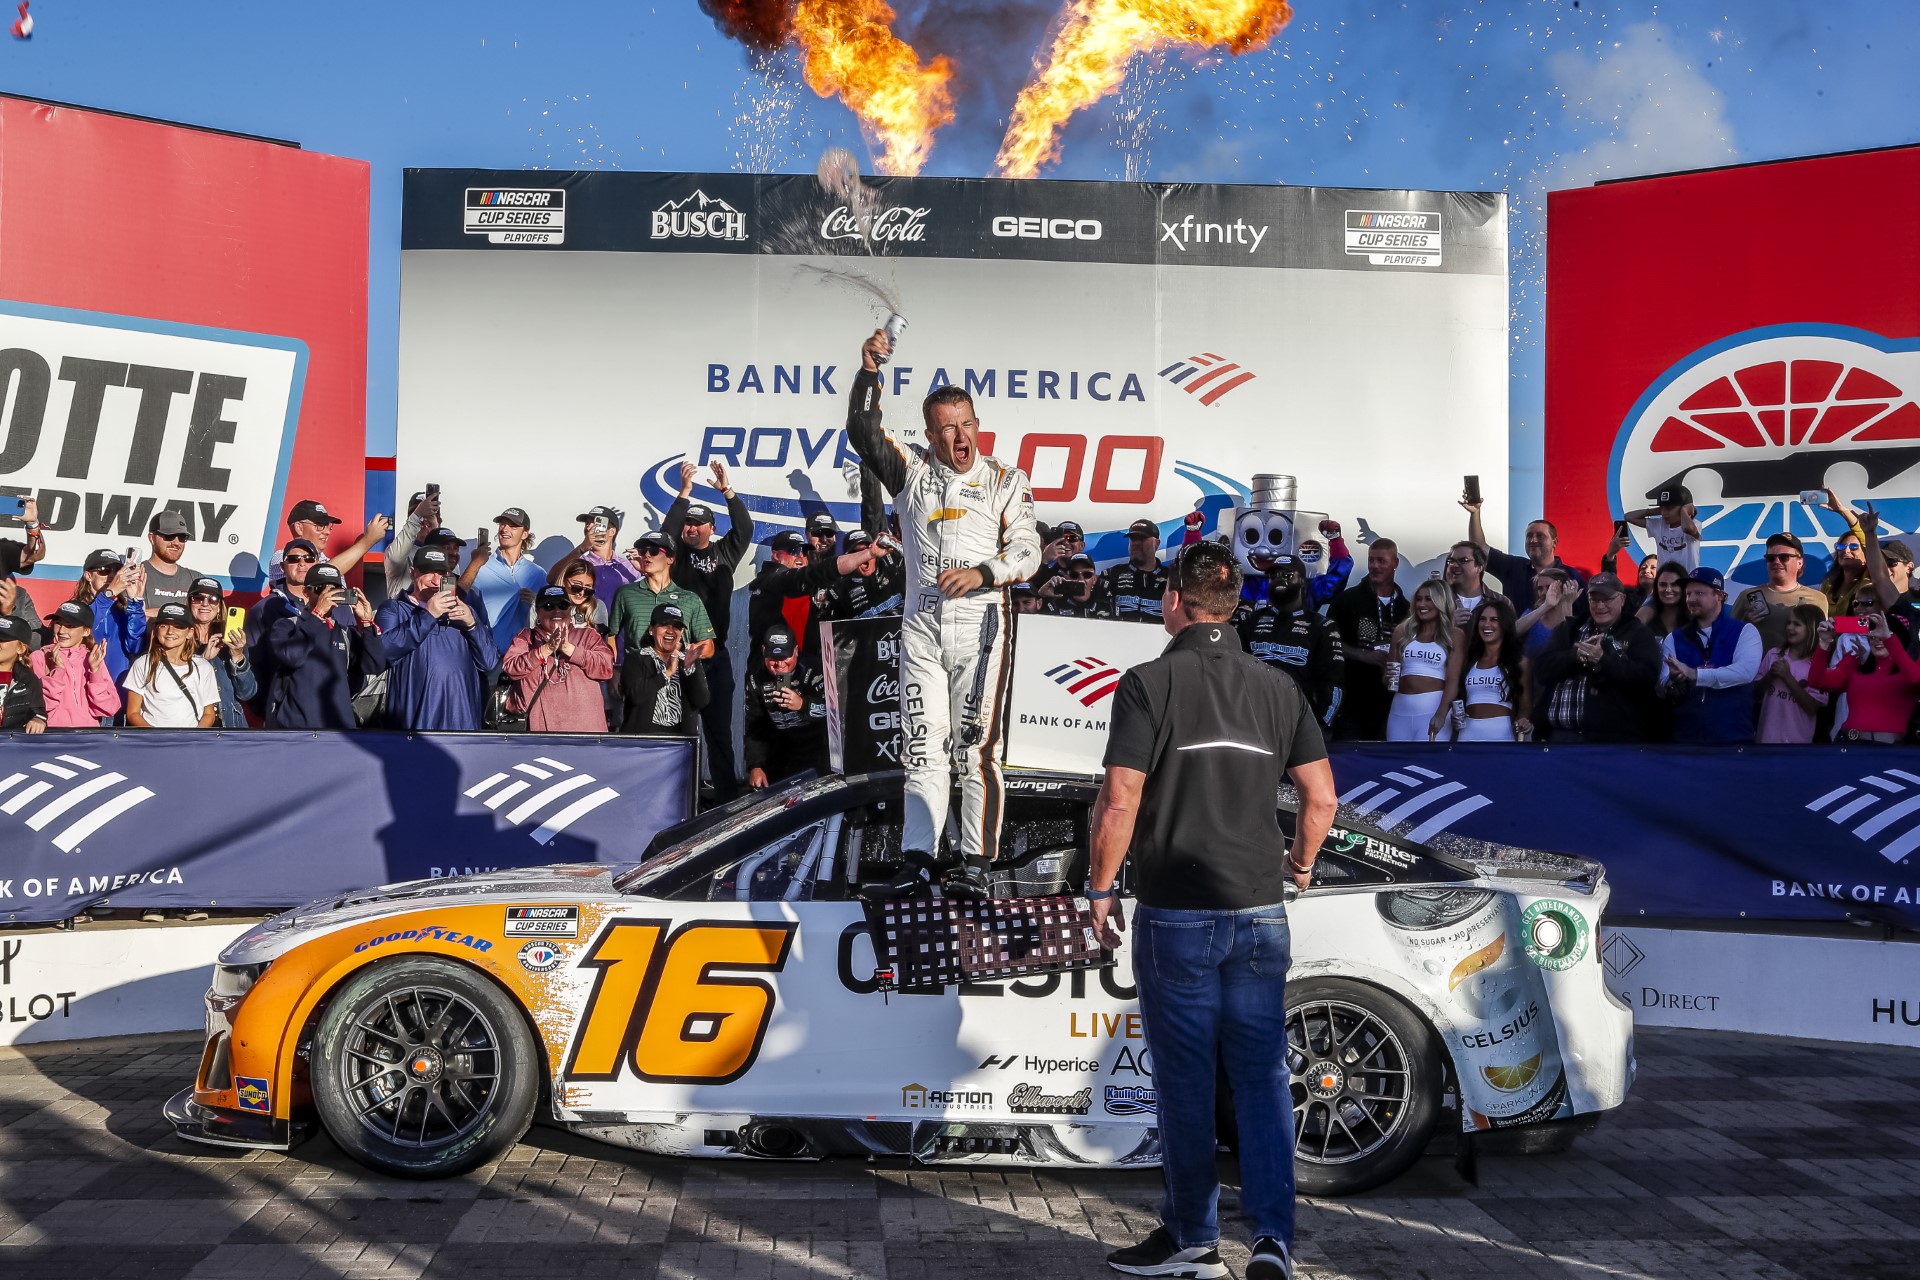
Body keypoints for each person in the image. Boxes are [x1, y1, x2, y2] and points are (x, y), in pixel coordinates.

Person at [1086, 540, 1337, 1280]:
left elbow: (1120, 800)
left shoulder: (1147, 682)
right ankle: (1273, 1240)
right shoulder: (1279, 686)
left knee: (1187, 1081)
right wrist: (1300, 866)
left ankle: (1193, 1238)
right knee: (1261, 1078)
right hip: (1260, 909)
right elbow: (1321, 799)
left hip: (1177, 912)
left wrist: (1100, 889)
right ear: (1231, 605)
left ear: (1174, 600)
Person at [845, 326, 1041, 898]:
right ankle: (918, 860)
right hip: (921, 628)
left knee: (974, 748)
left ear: (978, 425)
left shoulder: (1005, 480)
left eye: (967, 424)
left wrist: (984, 574)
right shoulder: (912, 472)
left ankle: (977, 864)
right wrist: (870, 372)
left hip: (981, 626)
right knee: (921, 748)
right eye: (947, 428)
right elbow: (863, 431)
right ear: (929, 434)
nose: (960, 437)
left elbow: (1029, 552)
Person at [665, 462, 756, 798]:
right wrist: (684, 494)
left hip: (714, 658)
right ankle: (676, 800)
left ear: (711, 528)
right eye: (688, 523)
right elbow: (666, 531)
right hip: (678, 658)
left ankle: (726, 802)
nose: (691, 528)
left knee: (718, 735)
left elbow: (745, 528)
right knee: (679, 734)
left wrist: (727, 491)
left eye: (698, 524)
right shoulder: (675, 555)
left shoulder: (724, 552)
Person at [376, 546, 498, 731]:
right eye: (428, 572)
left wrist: (473, 625)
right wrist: (428, 615)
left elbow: (490, 663)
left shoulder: (464, 611)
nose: (435, 580)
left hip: (463, 724)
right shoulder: (394, 609)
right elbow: (381, 653)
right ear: (413, 573)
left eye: (441, 573)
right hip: (414, 726)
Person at [1529, 573, 1660, 743]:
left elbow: (1647, 678)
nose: (1600, 605)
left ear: (1622, 599)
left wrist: (1603, 660)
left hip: (1611, 739)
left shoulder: (1638, 633)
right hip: (1559, 737)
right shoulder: (1569, 628)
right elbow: (1542, 670)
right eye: (1594, 599)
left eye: (1606, 599)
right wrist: (1576, 656)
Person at [265, 562, 388, 730]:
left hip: (339, 730)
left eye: (334, 589)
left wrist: (367, 623)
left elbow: (374, 665)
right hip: (298, 730)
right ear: (306, 592)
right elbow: (293, 657)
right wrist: (317, 615)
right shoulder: (286, 625)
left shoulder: (345, 632)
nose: (327, 595)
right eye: (320, 588)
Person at [1239, 553, 1343, 728]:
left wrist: (1322, 726)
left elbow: (1334, 682)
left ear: (1302, 581)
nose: (1279, 580)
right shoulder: (1250, 621)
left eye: (1287, 575)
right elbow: (1235, 672)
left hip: (1299, 724)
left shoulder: (1322, 627)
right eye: (1273, 576)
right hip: (1253, 722)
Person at [1658, 567, 1760, 744]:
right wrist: (1674, 680)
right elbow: (1663, 683)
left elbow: (1745, 672)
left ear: (1720, 595)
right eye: (1688, 594)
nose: (1691, 599)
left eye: (1699, 593)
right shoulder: (1674, 638)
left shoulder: (1744, 631)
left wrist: (1696, 674)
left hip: (1733, 739)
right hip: (1686, 740)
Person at [500, 584, 616, 734]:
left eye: (563, 605)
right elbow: (510, 668)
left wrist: (570, 649)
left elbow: (606, 668)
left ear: (570, 610)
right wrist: (545, 649)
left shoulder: (588, 635)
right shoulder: (526, 637)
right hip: (542, 733)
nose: (557, 611)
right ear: (537, 612)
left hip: (587, 733)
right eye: (548, 606)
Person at [1809, 592, 1920, 744]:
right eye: (1873, 635)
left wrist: (1889, 640)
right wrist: (1824, 643)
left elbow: (1916, 680)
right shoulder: (1857, 665)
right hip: (1849, 745)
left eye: (1884, 635)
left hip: (1889, 750)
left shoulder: (1910, 669)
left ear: (1898, 639)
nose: (1877, 639)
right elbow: (1817, 681)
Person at [1328, 539, 1408, 740]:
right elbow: (1329, 642)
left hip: (1392, 704)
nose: (1375, 566)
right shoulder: (1347, 600)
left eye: (1381, 561)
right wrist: (1362, 655)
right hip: (1352, 703)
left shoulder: (1406, 608)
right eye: (1371, 560)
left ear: (1395, 563)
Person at [742, 624, 830, 787]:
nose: (779, 664)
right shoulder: (756, 678)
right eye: (773, 658)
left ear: (796, 651)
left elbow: (834, 713)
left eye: (784, 658)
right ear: (763, 652)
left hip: (818, 751)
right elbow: (754, 726)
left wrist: (803, 704)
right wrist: (755, 765)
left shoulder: (815, 669)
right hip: (781, 753)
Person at [609, 530, 716, 665]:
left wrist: (680, 649)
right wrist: (613, 668)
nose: (647, 555)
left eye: (654, 551)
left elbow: (708, 647)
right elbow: (611, 636)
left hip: (676, 674)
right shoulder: (625, 593)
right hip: (636, 674)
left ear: (670, 559)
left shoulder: (690, 599)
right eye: (642, 551)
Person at [1462, 491, 1585, 606]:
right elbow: (1479, 549)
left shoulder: (1571, 576)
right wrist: (1475, 513)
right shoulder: (1513, 567)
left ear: (1554, 542)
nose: (1533, 540)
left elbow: (1583, 614)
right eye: (1529, 536)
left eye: (1540, 536)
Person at [464, 506, 549, 664]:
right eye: (502, 524)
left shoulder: (537, 574)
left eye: (513, 526)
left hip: (523, 658)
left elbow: (550, 615)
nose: (504, 529)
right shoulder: (480, 567)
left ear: (525, 534)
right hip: (486, 657)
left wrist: (536, 602)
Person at [1385, 579, 1463, 742]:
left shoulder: (1454, 635)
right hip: (1399, 710)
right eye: (1419, 599)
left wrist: (1441, 714)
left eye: (1429, 599)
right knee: (1397, 757)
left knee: (1428, 758)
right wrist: (1387, 676)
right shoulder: (1402, 631)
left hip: (1432, 710)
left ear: (1441, 602)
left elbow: (1453, 681)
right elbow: (1389, 678)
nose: (1422, 604)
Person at [123, 602, 219, 728]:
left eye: (178, 626)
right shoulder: (142, 664)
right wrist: (155, 736)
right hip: (152, 739)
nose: (170, 632)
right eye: (164, 626)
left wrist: (194, 736)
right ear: (156, 629)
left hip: (191, 739)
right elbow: (133, 713)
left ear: (190, 633)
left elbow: (209, 714)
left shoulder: (204, 667)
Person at [1729, 533, 1828, 654]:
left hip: (1800, 665)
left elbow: (1822, 641)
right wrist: (1746, 623)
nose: (1776, 562)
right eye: (1771, 558)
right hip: (1756, 665)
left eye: (1784, 557)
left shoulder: (1818, 599)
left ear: (1799, 563)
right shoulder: (1747, 596)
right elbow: (1728, 638)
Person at [619, 603, 710, 735]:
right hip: (643, 740)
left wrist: (689, 669)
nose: (670, 631)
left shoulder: (688, 659)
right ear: (651, 629)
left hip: (681, 741)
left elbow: (702, 701)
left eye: (676, 626)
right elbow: (636, 696)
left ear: (682, 632)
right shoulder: (636, 658)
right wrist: (666, 673)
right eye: (664, 625)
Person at [29, 601, 121, 727]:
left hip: (88, 736)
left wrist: (95, 672)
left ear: (86, 631)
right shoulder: (39, 657)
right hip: (52, 735)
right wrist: (57, 672)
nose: (61, 631)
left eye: (70, 626)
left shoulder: (93, 659)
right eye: (58, 624)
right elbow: (38, 707)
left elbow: (109, 708)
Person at [185, 577, 257, 729]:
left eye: (213, 599)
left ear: (219, 606)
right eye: (198, 598)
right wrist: (203, 660)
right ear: (190, 602)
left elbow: (247, 693)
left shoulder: (231, 639)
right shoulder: (178, 639)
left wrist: (238, 656)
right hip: (194, 725)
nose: (205, 604)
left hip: (230, 727)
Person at [1456, 599, 1529, 742]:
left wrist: (1523, 722)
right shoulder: (1469, 660)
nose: (1486, 624)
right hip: (1467, 734)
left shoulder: (1519, 662)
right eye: (1482, 619)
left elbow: (1525, 705)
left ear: (1505, 624)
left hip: (1501, 735)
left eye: (1494, 620)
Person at [268, 498, 389, 585]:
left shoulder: (326, 560)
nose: (327, 532)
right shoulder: (282, 557)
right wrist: (367, 542)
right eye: (320, 526)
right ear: (299, 527)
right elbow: (321, 575)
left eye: (328, 526)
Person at [1755, 604, 1829, 744]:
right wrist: (1770, 676)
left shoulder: (1818, 666)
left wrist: (1788, 677)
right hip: (1765, 741)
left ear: (1812, 629)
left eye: (1797, 624)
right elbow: (1755, 694)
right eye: (1789, 623)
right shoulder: (1774, 654)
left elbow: (1812, 708)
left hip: (1796, 745)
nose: (1789, 627)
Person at [71, 549, 147, 684]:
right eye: (104, 570)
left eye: (116, 570)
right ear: (88, 576)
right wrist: (109, 594)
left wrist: (135, 602)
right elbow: (85, 628)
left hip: (118, 688)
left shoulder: (122, 610)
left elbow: (135, 647)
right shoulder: (74, 609)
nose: (112, 575)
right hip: (85, 685)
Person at [547, 503, 643, 608]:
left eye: (596, 523)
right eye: (587, 523)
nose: (589, 527)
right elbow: (552, 579)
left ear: (612, 531)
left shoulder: (629, 565)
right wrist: (583, 547)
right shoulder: (579, 562)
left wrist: (645, 570)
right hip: (585, 618)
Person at [823, 529, 905, 620]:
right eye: (855, 553)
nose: (864, 556)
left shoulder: (894, 563)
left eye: (867, 550)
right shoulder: (839, 591)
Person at [1099, 520, 1169, 624]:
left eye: (1142, 538)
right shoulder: (1111, 575)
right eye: (1133, 538)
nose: (1136, 543)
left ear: (1157, 543)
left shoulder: (1172, 578)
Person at [139, 509, 204, 617]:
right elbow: (133, 617)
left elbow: (205, 618)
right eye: (169, 536)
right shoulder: (135, 575)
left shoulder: (196, 579)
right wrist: (184, 613)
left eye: (182, 537)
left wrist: (149, 612)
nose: (176, 543)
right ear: (151, 538)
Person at [1623, 484, 1701, 572]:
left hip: (1687, 578)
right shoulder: (1659, 524)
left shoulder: (1695, 524)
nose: (1664, 513)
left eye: (1669, 508)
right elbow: (1628, 517)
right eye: (1662, 508)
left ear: (1686, 508)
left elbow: (1687, 528)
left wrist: (1684, 510)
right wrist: (1655, 511)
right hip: (1664, 578)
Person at [1442, 541, 1509, 629]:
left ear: (1480, 567)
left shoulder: (1501, 602)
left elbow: (1510, 634)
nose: (1454, 565)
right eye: (1451, 561)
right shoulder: (1438, 600)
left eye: (1463, 561)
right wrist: (1447, 624)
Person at [1516, 568, 1580, 659]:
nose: (1543, 592)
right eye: (1540, 588)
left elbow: (1567, 646)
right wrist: (1546, 606)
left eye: (1549, 587)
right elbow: (1513, 631)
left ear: (1564, 589)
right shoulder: (1531, 614)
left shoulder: (1572, 619)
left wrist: (1567, 604)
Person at [0, 614, 49, 732]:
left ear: (21, 648)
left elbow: (38, 711)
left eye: (2, 639)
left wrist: (37, 720)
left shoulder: (28, 680)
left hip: (10, 742)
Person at [1635, 560, 1691, 642]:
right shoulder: (1646, 622)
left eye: (1674, 585)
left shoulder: (1694, 624)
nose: (1668, 590)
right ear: (1656, 587)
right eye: (1663, 585)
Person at [1041, 552, 1105, 618]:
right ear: (1066, 578)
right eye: (1074, 575)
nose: (1081, 580)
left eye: (1087, 575)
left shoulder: (1107, 607)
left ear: (1094, 579)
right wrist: (1043, 595)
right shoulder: (1054, 606)